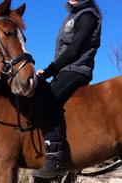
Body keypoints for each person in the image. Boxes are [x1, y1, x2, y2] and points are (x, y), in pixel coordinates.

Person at [33, 0, 102, 181]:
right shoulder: (72, 16)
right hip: (65, 70)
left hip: (77, 69)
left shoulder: (87, 15)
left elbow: (73, 50)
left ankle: (55, 159)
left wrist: (49, 71)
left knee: (49, 99)